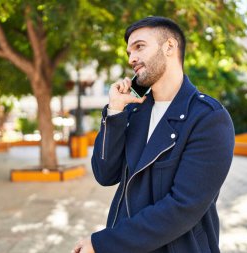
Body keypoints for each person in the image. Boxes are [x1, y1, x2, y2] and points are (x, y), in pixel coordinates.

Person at [73, 16, 235, 253]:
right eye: (129, 51)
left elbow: (182, 207)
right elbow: (105, 174)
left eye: (139, 46)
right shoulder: (134, 112)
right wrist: (115, 112)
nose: (131, 59)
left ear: (169, 46)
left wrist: (103, 243)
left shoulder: (209, 118)